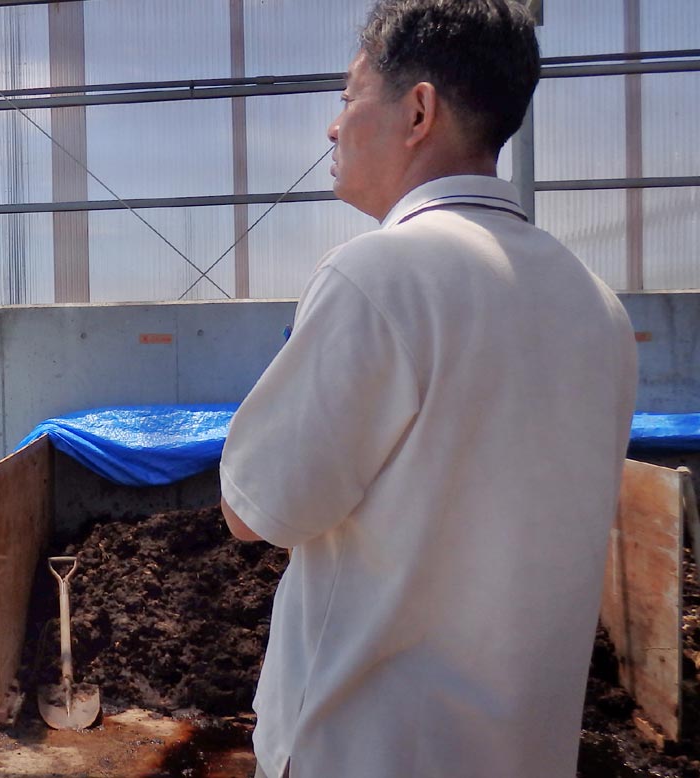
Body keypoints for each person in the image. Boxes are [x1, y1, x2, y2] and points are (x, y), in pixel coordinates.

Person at [219, 2, 637, 777]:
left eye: (349, 96)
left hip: (367, 750)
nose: (332, 127)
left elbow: (256, 511)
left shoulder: (379, 275)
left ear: (418, 110)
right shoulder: (597, 307)